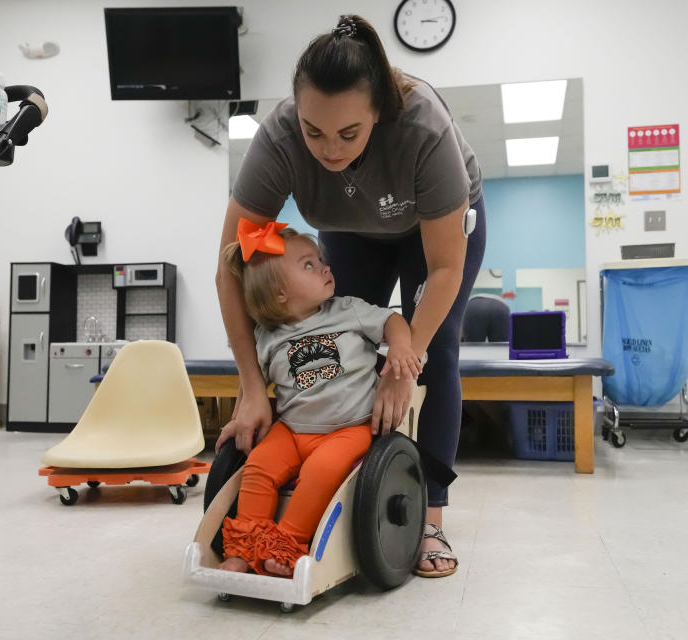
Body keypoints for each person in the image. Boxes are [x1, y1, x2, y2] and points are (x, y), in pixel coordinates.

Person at [215, 14, 485, 578]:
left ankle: (428, 514)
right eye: (314, 132)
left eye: (348, 134)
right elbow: (232, 268)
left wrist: (405, 361)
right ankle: (323, 494)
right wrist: (250, 387)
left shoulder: (422, 128)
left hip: (433, 237)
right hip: (352, 227)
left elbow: (443, 269)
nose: (328, 150)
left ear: (379, 115)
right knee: (338, 346)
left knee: (436, 354)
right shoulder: (280, 139)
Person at [215, 220, 422, 577]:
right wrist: (239, 418)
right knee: (258, 469)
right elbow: (251, 388)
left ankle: (287, 544)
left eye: (319, 259)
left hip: (349, 428)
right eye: (308, 264)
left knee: (321, 471)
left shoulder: (348, 309)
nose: (324, 266)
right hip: (292, 430)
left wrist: (400, 346)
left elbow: (392, 320)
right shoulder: (266, 336)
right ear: (280, 293)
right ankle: (245, 549)